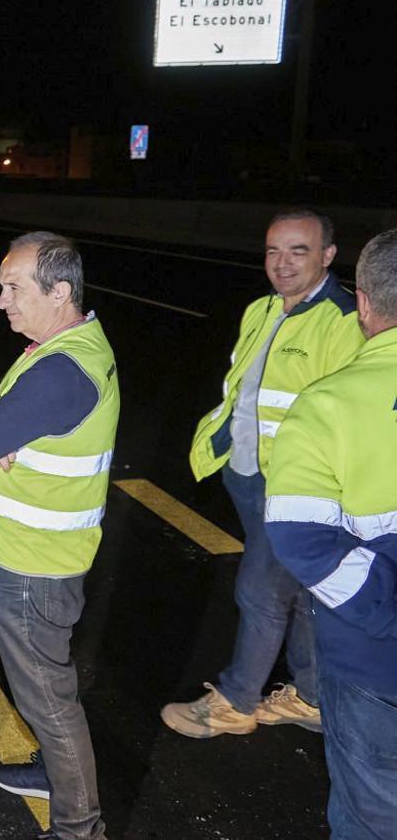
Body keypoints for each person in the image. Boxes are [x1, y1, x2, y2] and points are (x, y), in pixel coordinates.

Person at [163, 210, 363, 739]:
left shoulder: (344, 322)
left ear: (327, 256)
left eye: (299, 251)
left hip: (295, 485)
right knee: (295, 591)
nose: (282, 263)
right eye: (273, 251)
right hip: (248, 473)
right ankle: (312, 695)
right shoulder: (262, 309)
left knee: (259, 591)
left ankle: (236, 702)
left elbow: (343, 416)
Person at [0, 232, 119, 840]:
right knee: (44, 693)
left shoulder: (61, 370)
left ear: (60, 292)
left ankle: (79, 826)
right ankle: (56, 776)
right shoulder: (60, 345)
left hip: (31, 567)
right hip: (32, 556)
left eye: (13, 288)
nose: (1, 301)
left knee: (49, 702)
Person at [264, 228, 397, 839]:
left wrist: (384, 608)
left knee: (370, 812)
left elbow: (301, 540)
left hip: (372, 661)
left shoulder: (327, 405)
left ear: (364, 304)